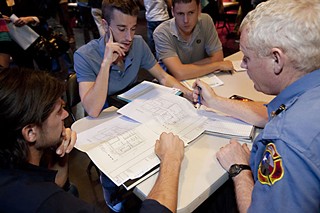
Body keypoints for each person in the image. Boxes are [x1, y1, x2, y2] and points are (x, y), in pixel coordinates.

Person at [0, 67, 185, 213]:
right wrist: (170, 160)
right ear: (30, 132)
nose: (65, 115)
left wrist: (61, 153)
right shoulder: (46, 203)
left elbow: (56, 185)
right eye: (58, 112)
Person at [194, 0, 320, 211]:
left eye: (247, 57)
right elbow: (271, 113)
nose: (242, 65)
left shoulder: (287, 141)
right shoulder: (307, 93)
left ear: (276, 59)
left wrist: (240, 168)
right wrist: (214, 101)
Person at [74, 0, 192, 118]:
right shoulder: (84, 56)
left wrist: (188, 94)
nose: (129, 38)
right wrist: (105, 64)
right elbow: (92, 110)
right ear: (105, 26)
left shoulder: (138, 43)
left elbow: (163, 77)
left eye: (133, 28)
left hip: (133, 111)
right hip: (104, 117)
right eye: (122, 29)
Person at [153, 0, 234, 81]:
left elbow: (218, 58)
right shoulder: (161, 32)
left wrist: (184, 69)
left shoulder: (206, 20)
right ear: (173, 12)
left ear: (199, 10)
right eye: (180, 14)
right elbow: (179, 74)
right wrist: (217, 65)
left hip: (201, 80)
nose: (186, 20)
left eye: (191, 13)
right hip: (172, 86)